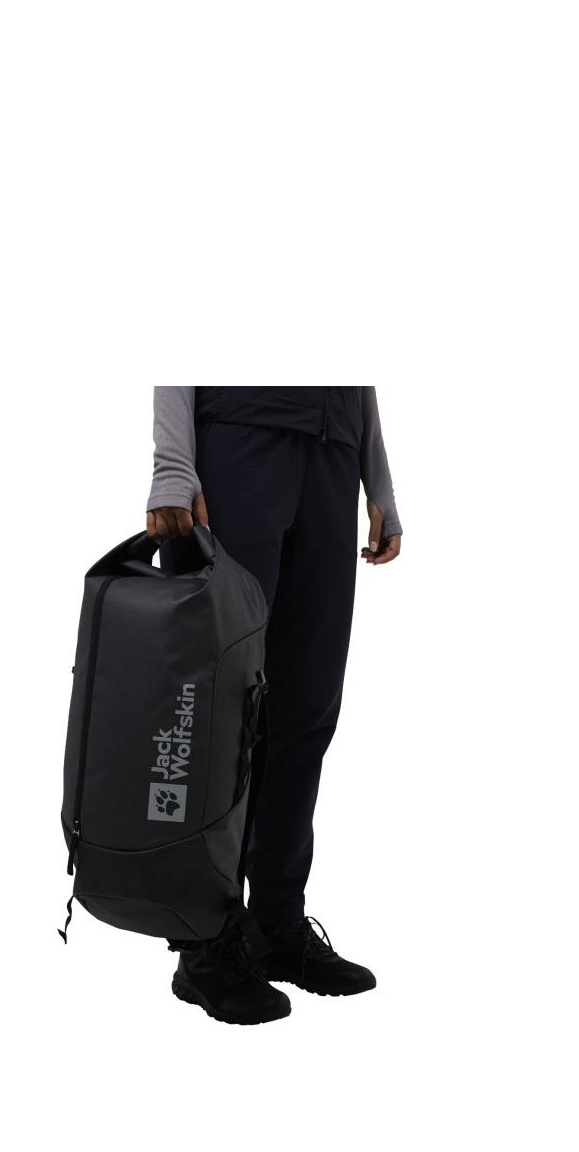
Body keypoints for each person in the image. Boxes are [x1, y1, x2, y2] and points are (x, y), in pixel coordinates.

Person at [147, 387, 402, 1025]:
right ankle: (205, 941)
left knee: (306, 708)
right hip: (241, 439)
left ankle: (276, 923)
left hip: (332, 455)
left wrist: (377, 481)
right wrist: (173, 466)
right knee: (219, 708)